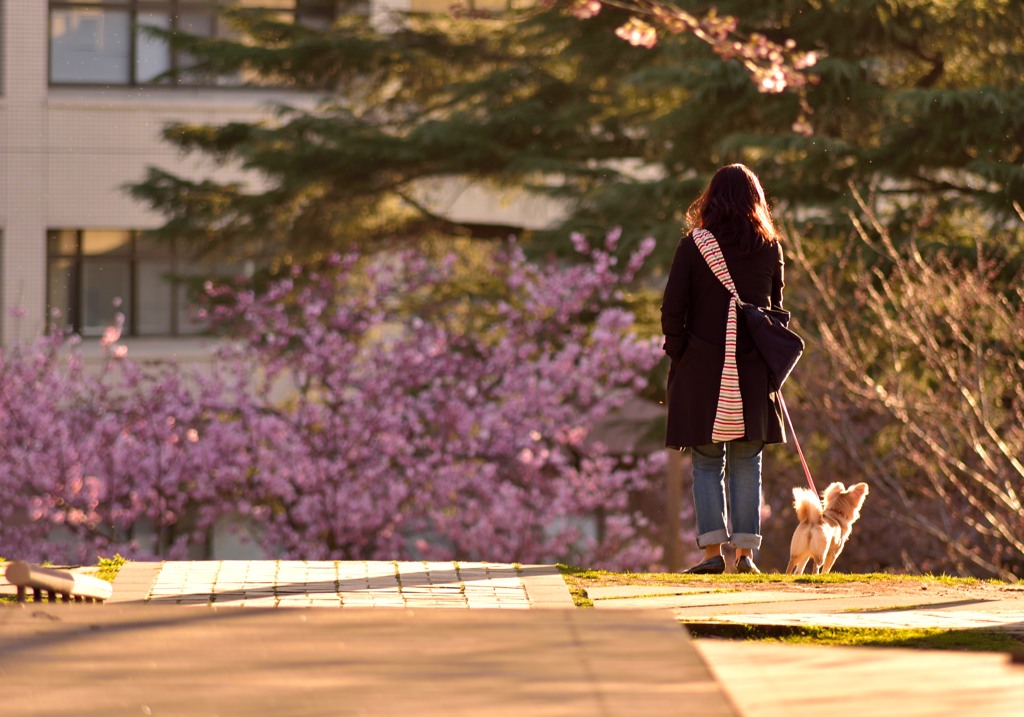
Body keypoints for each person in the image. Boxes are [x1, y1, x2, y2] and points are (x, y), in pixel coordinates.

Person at [661, 163, 787, 575]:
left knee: (706, 460)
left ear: (711, 199)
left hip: (703, 369)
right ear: (757, 201)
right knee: (748, 460)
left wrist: (682, 354)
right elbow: (777, 312)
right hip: (751, 371)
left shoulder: (694, 246)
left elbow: (672, 310)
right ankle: (747, 555)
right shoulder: (770, 247)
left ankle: (713, 555)